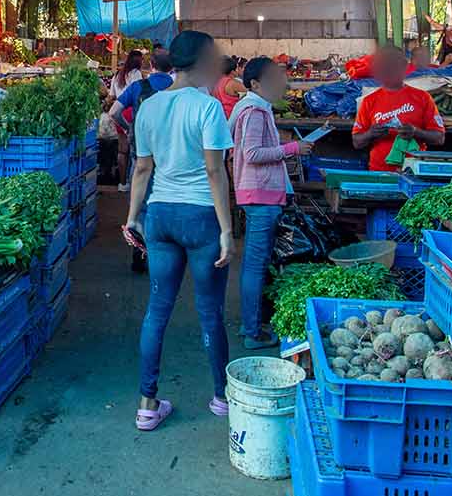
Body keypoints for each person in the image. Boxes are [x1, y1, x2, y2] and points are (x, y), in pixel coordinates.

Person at [124, 31, 234, 430]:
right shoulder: (208, 108)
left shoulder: (150, 106)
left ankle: (147, 405)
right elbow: (214, 170)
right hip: (201, 217)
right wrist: (226, 229)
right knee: (210, 312)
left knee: (157, 310)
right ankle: (221, 396)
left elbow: (142, 168)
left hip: (161, 215)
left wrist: (132, 217)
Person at [229, 57, 311, 350]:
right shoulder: (253, 111)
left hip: (260, 194)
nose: (281, 83)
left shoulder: (256, 108)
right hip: (259, 195)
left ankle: (250, 325)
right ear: (255, 84)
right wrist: (292, 148)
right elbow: (252, 153)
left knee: (257, 262)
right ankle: (252, 332)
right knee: (255, 263)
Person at [352, 45, 446, 172]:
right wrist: (371, 134)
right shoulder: (369, 101)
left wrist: (416, 132)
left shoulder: (422, 97)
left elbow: (439, 138)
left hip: (414, 171)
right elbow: (357, 142)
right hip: (379, 171)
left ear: (403, 66)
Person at [108, 48, 175, 197]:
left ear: (151, 65)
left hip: (141, 143)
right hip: (171, 148)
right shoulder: (179, 87)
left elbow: (113, 112)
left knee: (139, 175)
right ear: (171, 67)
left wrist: (128, 127)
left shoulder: (139, 86)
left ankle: (136, 213)